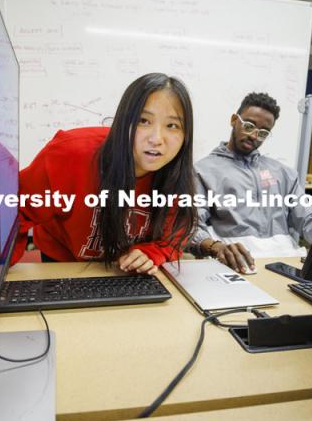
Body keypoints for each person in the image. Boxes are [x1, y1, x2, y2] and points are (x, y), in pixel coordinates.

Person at [11, 73, 196, 275]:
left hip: (123, 273)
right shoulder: (70, 153)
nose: (156, 138)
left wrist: (149, 252)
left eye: (172, 125)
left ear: (185, 135)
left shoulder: (176, 176)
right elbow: (16, 210)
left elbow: (173, 238)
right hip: (61, 261)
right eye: (143, 121)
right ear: (122, 123)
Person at [189, 92, 312, 273]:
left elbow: (308, 218)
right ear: (234, 120)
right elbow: (190, 226)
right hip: (236, 263)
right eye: (249, 126)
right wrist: (215, 247)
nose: (254, 136)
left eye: (263, 132)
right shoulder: (202, 171)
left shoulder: (284, 173)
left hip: (286, 262)